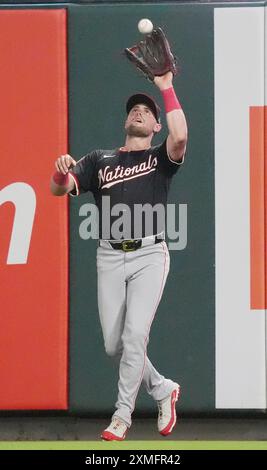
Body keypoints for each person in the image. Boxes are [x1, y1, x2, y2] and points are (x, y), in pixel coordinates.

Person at [50, 71, 188, 441]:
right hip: (109, 256)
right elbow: (57, 190)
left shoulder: (161, 158)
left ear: (156, 125)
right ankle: (162, 388)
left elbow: (181, 136)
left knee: (135, 335)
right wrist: (60, 171)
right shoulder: (100, 159)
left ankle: (122, 416)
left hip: (149, 254)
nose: (139, 112)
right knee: (115, 344)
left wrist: (165, 87)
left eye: (147, 111)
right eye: (135, 109)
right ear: (127, 120)